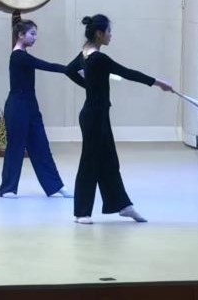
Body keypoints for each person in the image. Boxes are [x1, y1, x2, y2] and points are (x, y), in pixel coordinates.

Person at [65, 14, 172, 224]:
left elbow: (70, 70)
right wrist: (158, 83)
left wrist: (89, 86)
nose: (111, 36)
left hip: (96, 115)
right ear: (99, 34)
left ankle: (122, 206)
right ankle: (82, 212)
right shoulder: (99, 58)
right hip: (94, 117)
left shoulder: (84, 54)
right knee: (90, 162)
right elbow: (127, 73)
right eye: (109, 32)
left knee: (109, 161)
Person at [0, 20, 77, 199]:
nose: (35, 38)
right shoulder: (18, 56)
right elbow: (45, 65)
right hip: (17, 106)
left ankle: (55, 186)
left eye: (36, 34)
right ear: (21, 35)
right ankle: (7, 188)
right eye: (32, 34)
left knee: (41, 146)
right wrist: (70, 70)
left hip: (31, 106)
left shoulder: (24, 55)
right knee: (16, 147)